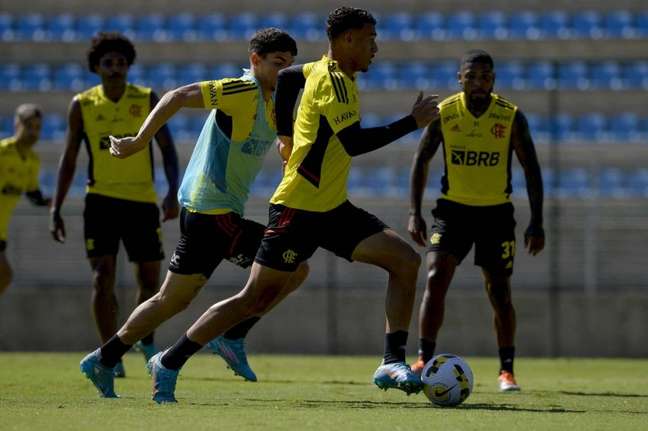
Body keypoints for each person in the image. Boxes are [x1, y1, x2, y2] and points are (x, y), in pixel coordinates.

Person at [144, 6, 439, 404]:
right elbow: (354, 143)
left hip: (332, 208)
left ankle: (391, 360)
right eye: (370, 39)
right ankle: (169, 360)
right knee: (253, 299)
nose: (376, 47)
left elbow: (286, 77)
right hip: (297, 210)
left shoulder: (318, 69)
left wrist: (284, 134)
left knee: (404, 261)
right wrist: (412, 122)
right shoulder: (333, 82)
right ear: (348, 39)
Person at [79, 28, 307, 399]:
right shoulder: (241, 90)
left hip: (213, 212)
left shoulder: (274, 101)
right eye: (277, 64)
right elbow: (178, 95)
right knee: (293, 269)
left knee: (171, 300)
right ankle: (224, 340)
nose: (284, 72)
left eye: (289, 66)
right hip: (210, 210)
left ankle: (103, 358)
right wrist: (139, 141)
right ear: (255, 60)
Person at [407, 49, 545, 392]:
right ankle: (424, 357)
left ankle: (506, 370)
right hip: (452, 212)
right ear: (460, 79)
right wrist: (415, 213)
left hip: (496, 215)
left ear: (493, 80)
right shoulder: (446, 113)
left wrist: (536, 221)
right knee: (436, 276)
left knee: (499, 292)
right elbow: (421, 160)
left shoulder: (510, 116)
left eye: (485, 77)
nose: (478, 83)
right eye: (471, 77)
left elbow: (531, 168)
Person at [50, 32, 180, 378]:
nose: (116, 68)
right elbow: (69, 158)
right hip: (101, 202)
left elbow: (167, 149)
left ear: (128, 65)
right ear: (96, 67)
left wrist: (171, 193)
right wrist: (56, 207)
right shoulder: (82, 104)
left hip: (141, 201)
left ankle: (143, 340)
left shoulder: (146, 98)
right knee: (101, 278)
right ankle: (110, 354)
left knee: (151, 280)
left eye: (121, 62)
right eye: (108, 62)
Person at [0, 104, 50, 297]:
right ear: (16, 125)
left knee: (4, 277)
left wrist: (49, 203)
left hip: (1, 232)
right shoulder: (2, 152)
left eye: (37, 128)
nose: (33, 132)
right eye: (29, 126)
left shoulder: (32, 160)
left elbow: (32, 193)